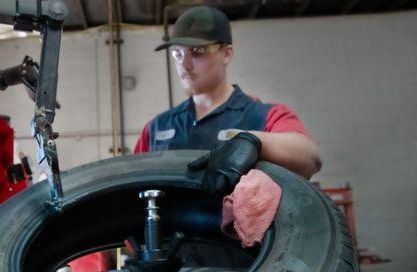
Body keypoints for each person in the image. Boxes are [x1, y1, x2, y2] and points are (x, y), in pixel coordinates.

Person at [134, 6, 322, 197]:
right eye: (177, 54)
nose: (185, 64)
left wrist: (254, 142)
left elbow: (310, 157)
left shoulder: (263, 116)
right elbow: (130, 181)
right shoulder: (156, 128)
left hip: (236, 226)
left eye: (198, 51)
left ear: (226, 54)